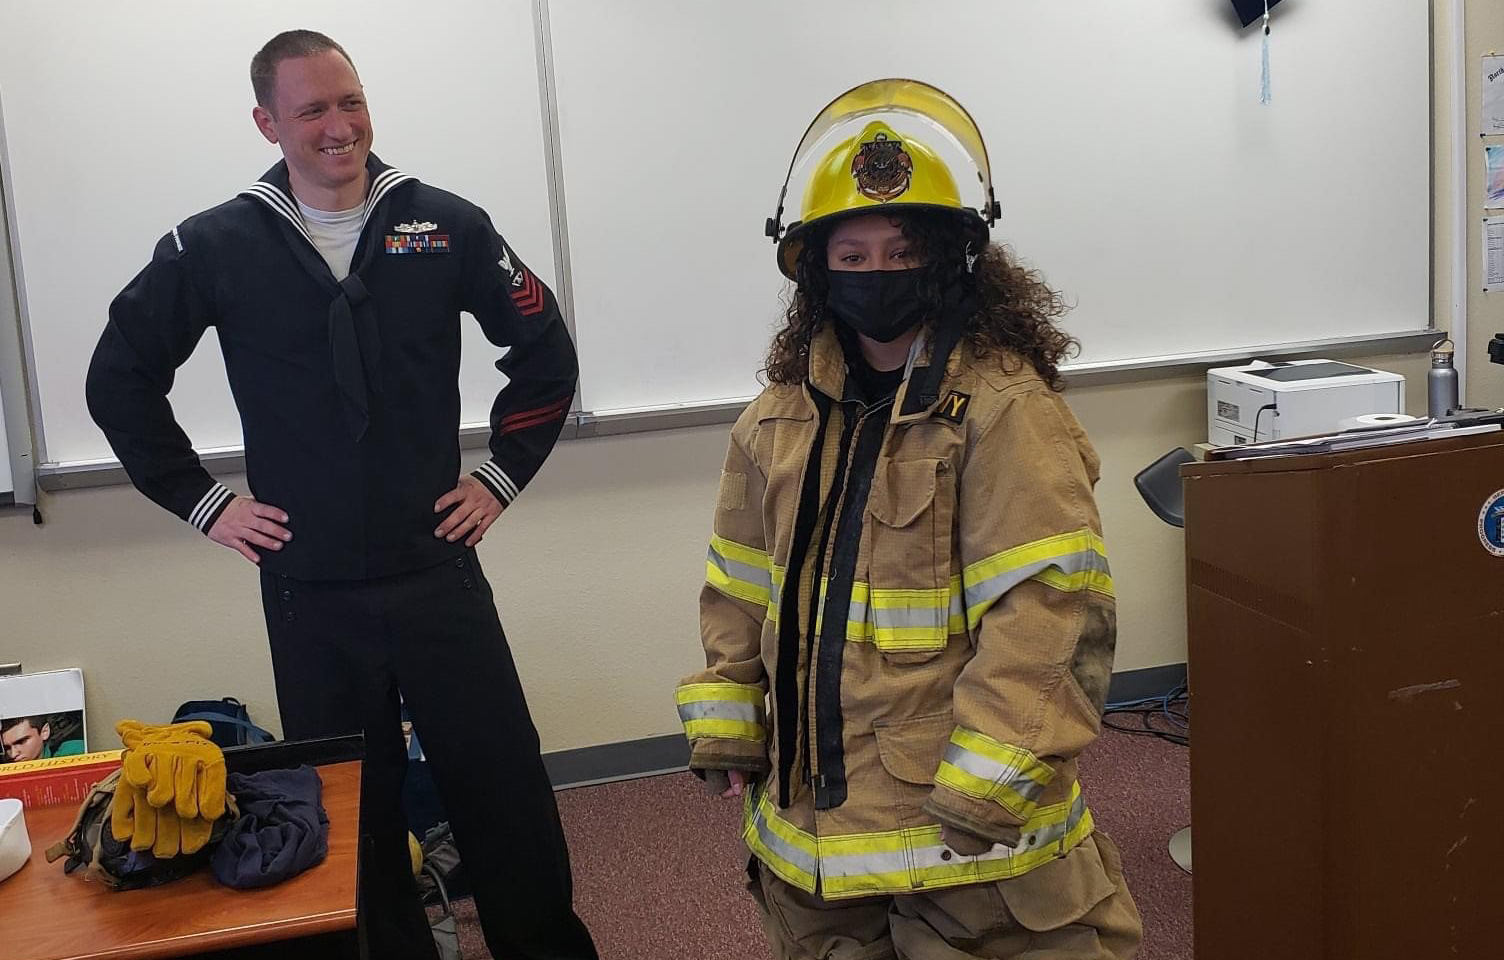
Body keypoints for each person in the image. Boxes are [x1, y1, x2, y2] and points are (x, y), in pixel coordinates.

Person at [86, 30, 596, 960]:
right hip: (308, 586)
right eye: (313, 109)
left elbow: (546, 358)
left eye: (351, 102)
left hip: (435, 569)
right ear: (267, 122)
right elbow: (118, 381)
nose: (339, 126)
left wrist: (498, 478)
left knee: (502, 785)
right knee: (349, 810)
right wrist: (204, 503)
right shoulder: (214, 244)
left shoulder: (443, 224)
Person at [676, 80, 1143, 958]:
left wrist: (989, 786)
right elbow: (738, 586)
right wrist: (731, 717)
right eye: (851, 256)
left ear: (954, 261)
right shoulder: (775, 420)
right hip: (813, 848)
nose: (877, 274)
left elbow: (1050, 612)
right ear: (815, 269)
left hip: (967, 852)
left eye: (901, 251)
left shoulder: (1008, 411)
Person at [1, 715, 85, 762]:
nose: (13, 754)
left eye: (21, 741)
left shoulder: (73, 751)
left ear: (44, 732)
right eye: (7, 747)